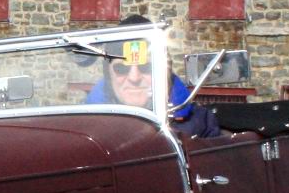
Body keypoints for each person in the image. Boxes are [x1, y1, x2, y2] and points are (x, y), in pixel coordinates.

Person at [84, 31, 225, 138]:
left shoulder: (199, 123)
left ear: (165, 72)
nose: (134, 77)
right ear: (109, 75)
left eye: (146, 67)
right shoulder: (84, 126)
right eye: (121, 68)